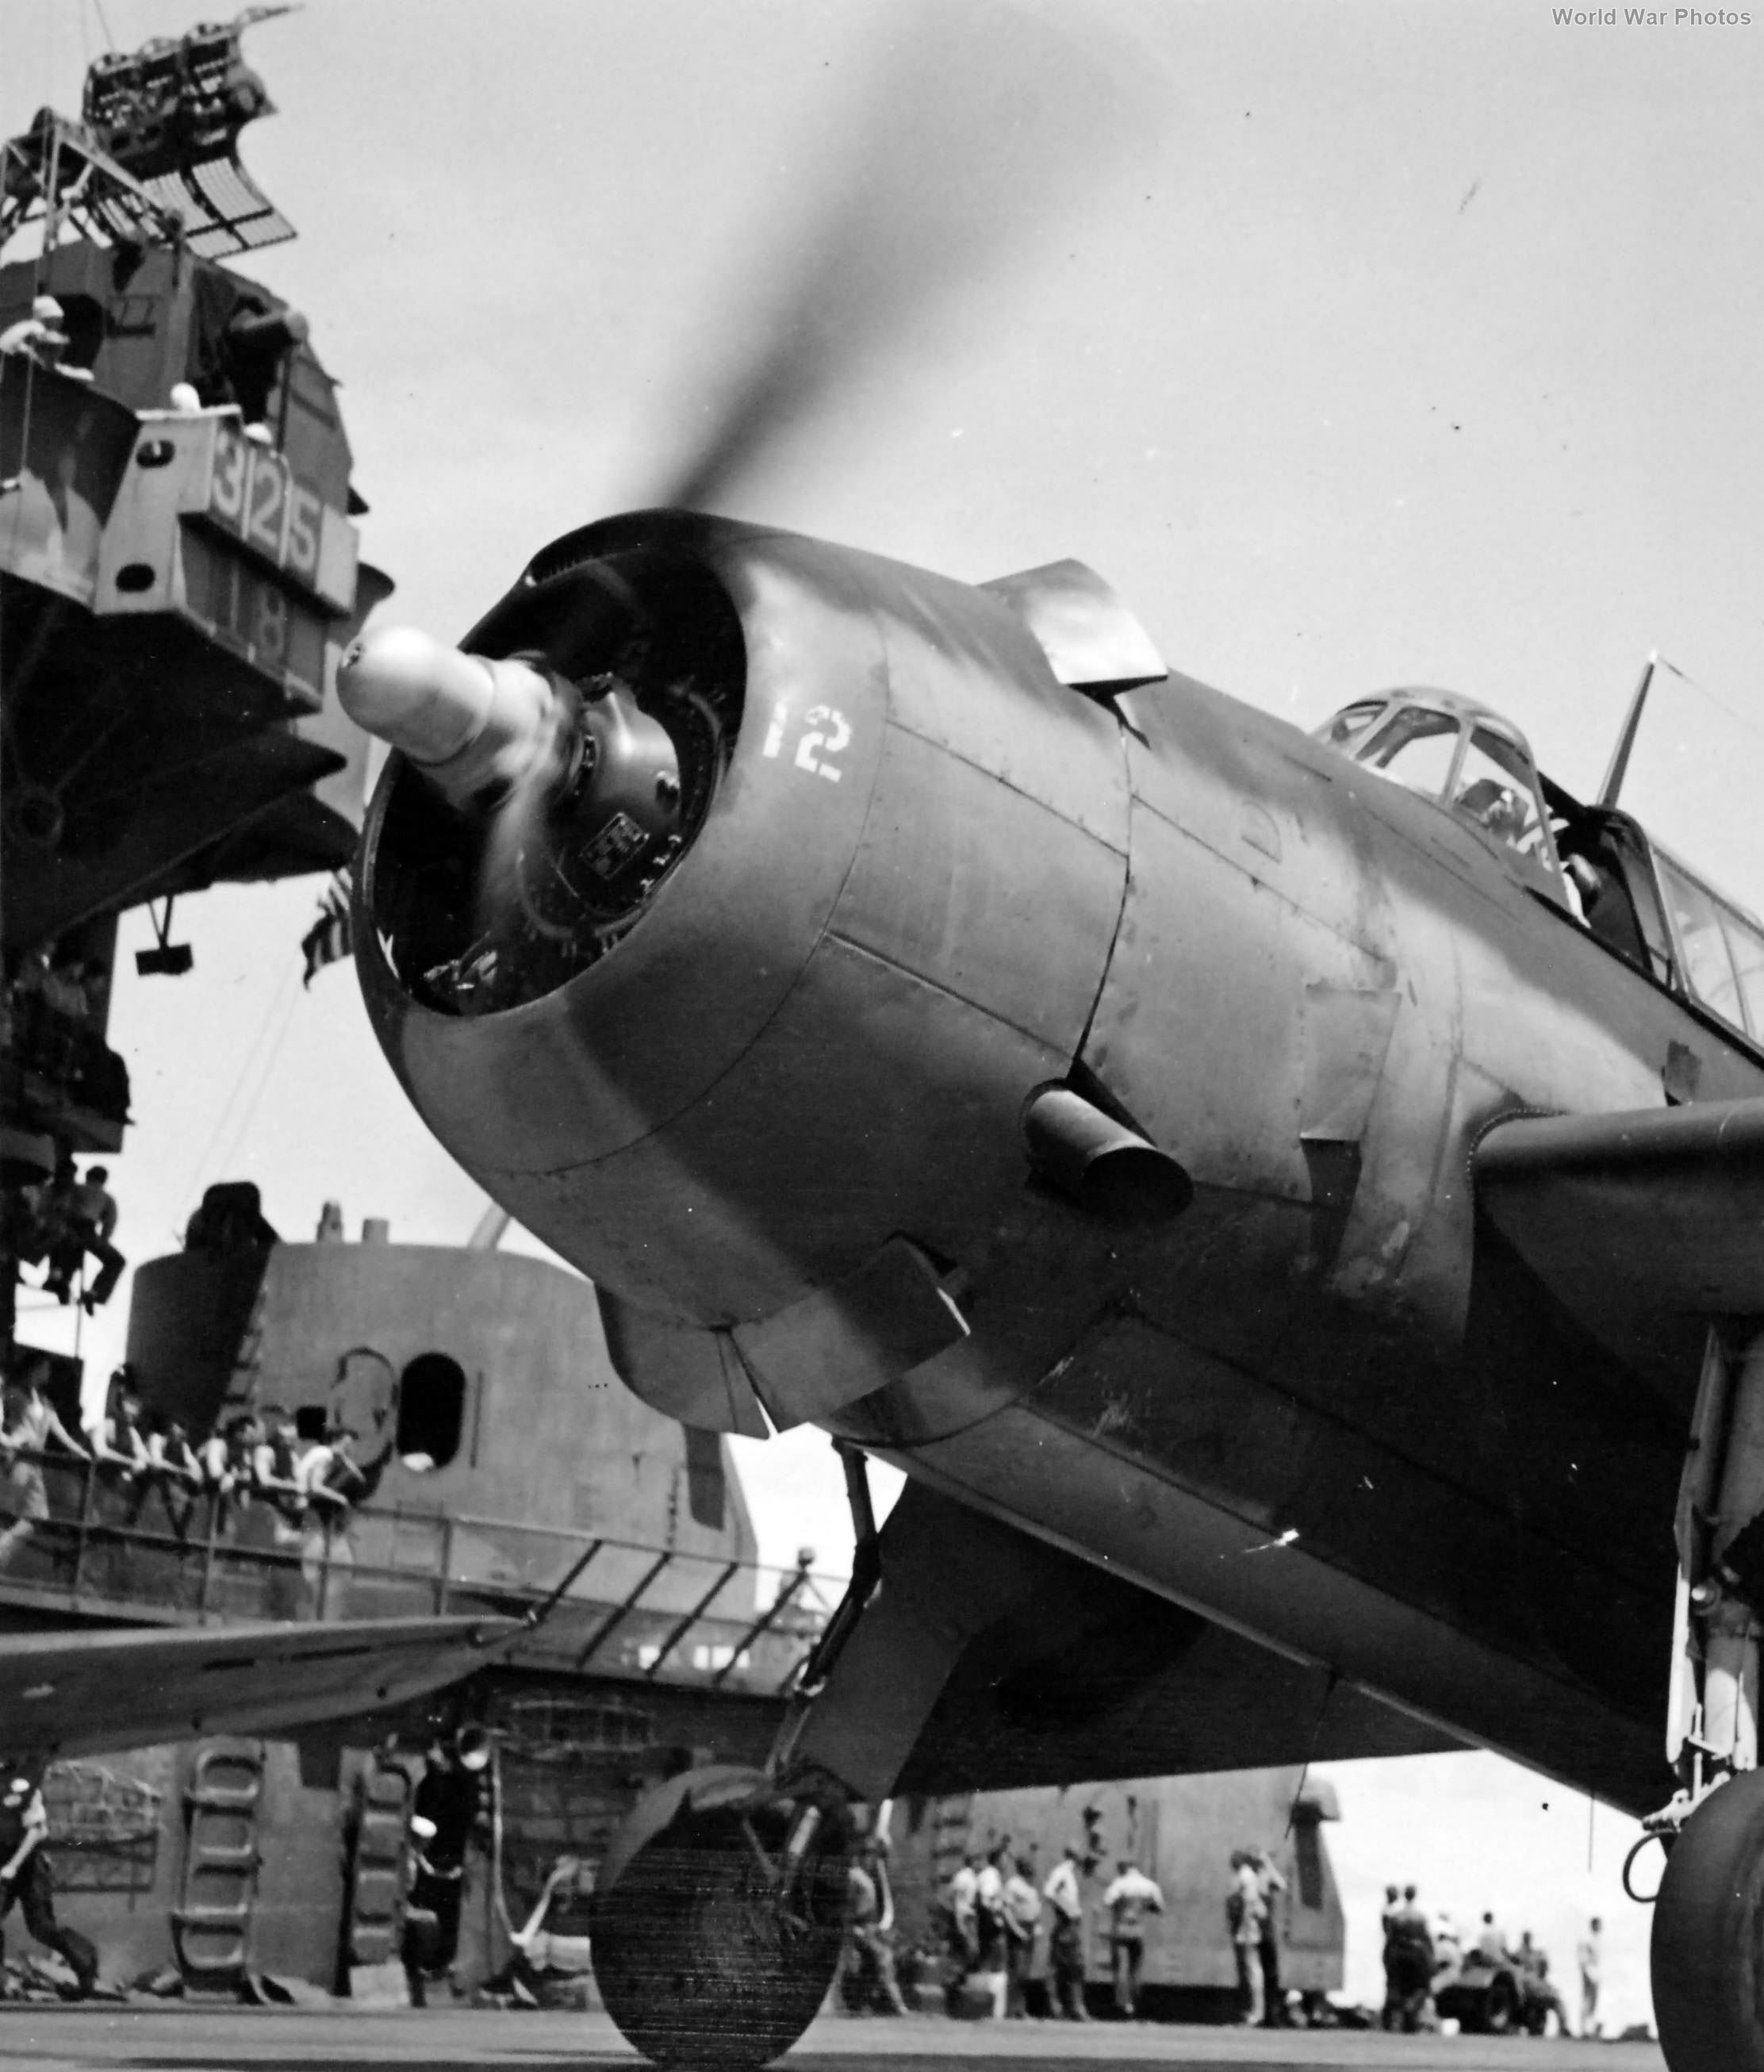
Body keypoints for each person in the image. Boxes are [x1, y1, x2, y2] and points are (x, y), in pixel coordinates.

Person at [0, 1760, 98, 1996]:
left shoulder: (24, 1790)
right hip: (4, 1861)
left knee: (41, 1927)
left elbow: (36, 1831)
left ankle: (85, 1961)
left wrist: (13, 1866)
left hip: (28, 1864)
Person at [0, 1361, 90, 1571]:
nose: (48, 1373)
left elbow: (59, 1431)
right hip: (19, 1462)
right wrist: (11, 1439)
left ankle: (3, 1550)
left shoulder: (46, 1402)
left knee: (38, 1516)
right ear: (34, 1369)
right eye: (45, 1368)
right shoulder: (16, 1394)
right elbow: (5, 1412)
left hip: (36, 1465)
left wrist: (81, 1452)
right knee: (10, 1514)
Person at [41, 1161, 125, 1313]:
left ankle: (58, 1279)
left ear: (87, 1176)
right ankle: (95, 1292)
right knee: (116, 1261)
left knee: (63, 1249)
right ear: (104, 1180)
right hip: (88, 1231)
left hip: (68, 1226)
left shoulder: (75, 1189)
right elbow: (110, 1222)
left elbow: (60, 1206)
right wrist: (103, 1241)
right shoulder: (107, 1199)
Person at [1102, 1855, 1164, 2020]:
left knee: (1120, 1969)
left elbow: (1107, 1901)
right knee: (1135, 1970)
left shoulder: (1119, 1884)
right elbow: (1160, 1908)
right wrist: (1145, 1906)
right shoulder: (1150, 1885)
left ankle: (1124, 2005)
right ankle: (1136, 2005)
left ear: (1124, 1867)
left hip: (1121, 1928)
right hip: (1137, 1930)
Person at [1041, 1843, 1089, 2020]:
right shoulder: (1062, 1873)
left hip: (1071, 1924)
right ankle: (1062, 2007)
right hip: (1066, 1924)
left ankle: (1071, 2007)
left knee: (1072, 1967)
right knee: (1066, 1966)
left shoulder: (1070, 1874)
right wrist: (1066, 1911)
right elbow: (1048, 1893)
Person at [1384, 1885, 1436, 2033]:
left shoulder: (1397, 1916)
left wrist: (1387, 1958)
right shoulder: (1420, 1916)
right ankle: (1410, 2013)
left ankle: (1396, 2019)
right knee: (1419, 1988)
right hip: (1416, 1955)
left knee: (1398, 1987)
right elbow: (1427, 1940)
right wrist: (1430, 1960)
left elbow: (1390, 1939)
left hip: (1399, 1954)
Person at [1227, 1851, 1265, 2026]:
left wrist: (1244, 1928)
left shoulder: (1245, 1876)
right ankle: (1255, 2011)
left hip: (1248, 1927)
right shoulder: (1250, 1875)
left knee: (1252, 1970)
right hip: (1249, 1926)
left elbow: (1249, 1902)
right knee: (1251, 1970)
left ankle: (1256, 2012)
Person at [1001, 1852, 1041, 2018]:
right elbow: (1006, 1909)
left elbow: (1035, 1906)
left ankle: (1021, 2009)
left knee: (1025, 1971)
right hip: (1018, 1927)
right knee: (1016, 1970)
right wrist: (1016, 1929)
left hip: (1030, 1927)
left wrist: (1037, 1925)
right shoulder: (1013, 1885)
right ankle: (1011, 2009)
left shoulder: (1030, 1885)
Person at [1252, 1848, 1287, 2026]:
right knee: (1269, 1975)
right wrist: (1268, 1865)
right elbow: (1280, 1884)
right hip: (1263, 1933)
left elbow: (1280, 1884)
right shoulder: (1258, 1879)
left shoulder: (1258, 1878)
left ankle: (1269, 2016)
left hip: (1265, 1932)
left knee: (1269, 1976)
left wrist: (1268, 1865)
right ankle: (1268, 2017)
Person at [948, 1850, 980, 1977]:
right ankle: (968, 1969)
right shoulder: (966, 1877)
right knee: (969, 1941)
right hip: (966, 1912)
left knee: (970, 1941)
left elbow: (953, 1895)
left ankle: (969, 1968)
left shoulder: (967, 1876)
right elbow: (956, 1895)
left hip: (966, 1912)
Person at [1577, 1916, 1602, 2039]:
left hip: (1595, 1971)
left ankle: (1590, 2028)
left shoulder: (1596, 1939)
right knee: (1587, 2000)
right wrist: (1587, 1974)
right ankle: (1584, 2029)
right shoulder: (1586, 1939)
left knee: (1593, 2002)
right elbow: (1583, 1959)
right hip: (1589, 1970)